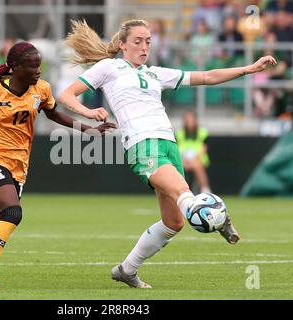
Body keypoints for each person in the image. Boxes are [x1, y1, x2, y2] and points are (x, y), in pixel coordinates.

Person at [58, 19, 277, 288]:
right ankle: (216, 216)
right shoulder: (109, 67)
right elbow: (66, 95)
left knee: (174, 222)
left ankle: (127, 269)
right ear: (122, 45)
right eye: (138, 41)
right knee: (184, 193)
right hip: (142, 144)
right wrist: (89, 112)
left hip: (168, 144)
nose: (144, 46)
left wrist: (248, 69)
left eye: (148, 41)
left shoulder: (155, 73)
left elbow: (206, 77)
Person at [0, 41, 115, 289]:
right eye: (33, 66)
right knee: (13, 212)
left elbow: (53, 115)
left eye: (39, 65)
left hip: (18, 164)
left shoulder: (40, 90)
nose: (38, 71)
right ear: (16, 68)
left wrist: (88, 130)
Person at [176, 111, 211, 194]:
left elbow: (204, 148)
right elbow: (177, 149)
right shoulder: (179, 134)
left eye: (192, 120)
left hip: (198, 160)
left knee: (196, 164)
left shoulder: (203, 133)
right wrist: (183, 160)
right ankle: (180, 191)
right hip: (183, 160)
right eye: (188, 120)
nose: (190, 123)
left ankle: (205, 189)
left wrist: (194, 158)